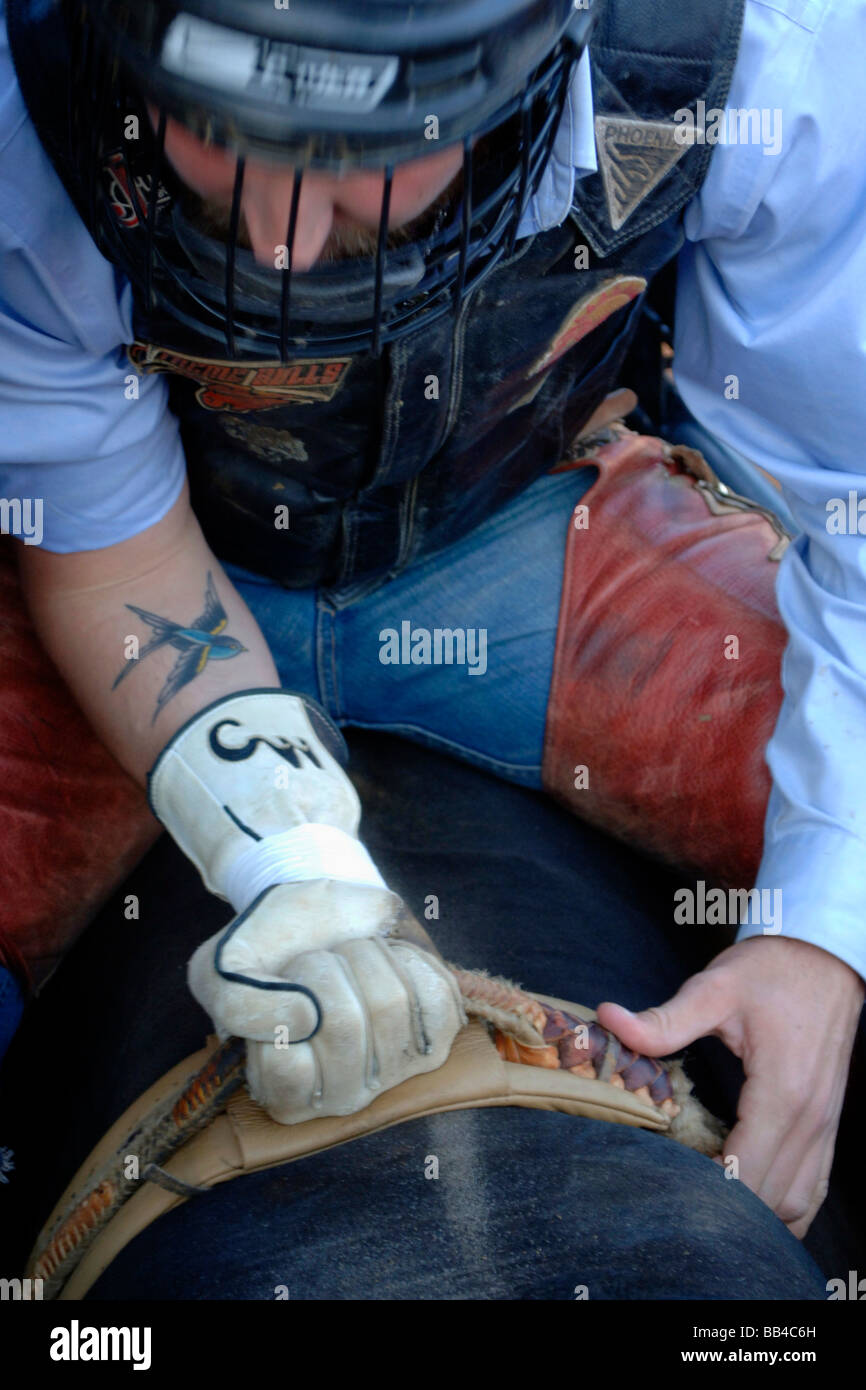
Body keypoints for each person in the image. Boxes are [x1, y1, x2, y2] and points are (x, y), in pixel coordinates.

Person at [0, 0, 862, 1284]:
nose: (281, 244)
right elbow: (108, 544)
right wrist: (284, 850)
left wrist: (817, 937)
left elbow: (845, 502)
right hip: (129, 570)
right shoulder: (29, 70)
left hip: (521, 541)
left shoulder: (770, 52)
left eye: (353, 155)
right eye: (213, 128)